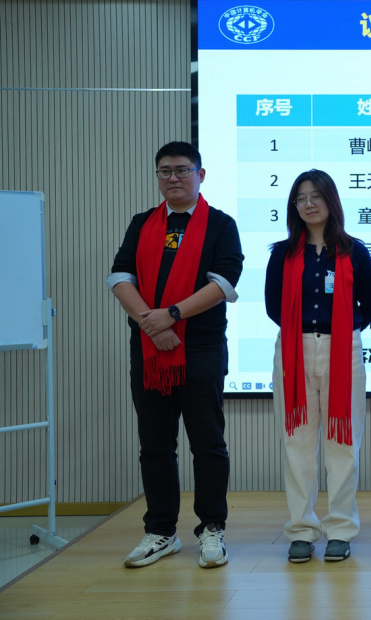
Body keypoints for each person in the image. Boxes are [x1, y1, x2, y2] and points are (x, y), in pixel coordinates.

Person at [106, 141, 243, 569]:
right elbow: (120, 276)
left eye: (182, 170)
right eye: (164, 171)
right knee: (155, 445)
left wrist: (172, 315)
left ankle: (212, 528)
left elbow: (224, 282)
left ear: (200, 175)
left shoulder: (221, 224)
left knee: (208, 443)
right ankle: (161, 531)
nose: (173, 178)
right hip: (150, 350)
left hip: (200, 348)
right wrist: (152, 324)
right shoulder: (142, 223)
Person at [264, 170, 371, 563]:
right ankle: (301, 530)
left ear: (331, 199)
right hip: (293, 352)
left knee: (343, 445)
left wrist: (341, 333)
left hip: (342, 351)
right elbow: (273, 306)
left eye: (316, 195)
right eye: (301, 198)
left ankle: (340, 530)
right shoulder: (282, 253)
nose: (309, 203)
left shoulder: (354, 250)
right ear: (294, 206)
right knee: (297, 444)